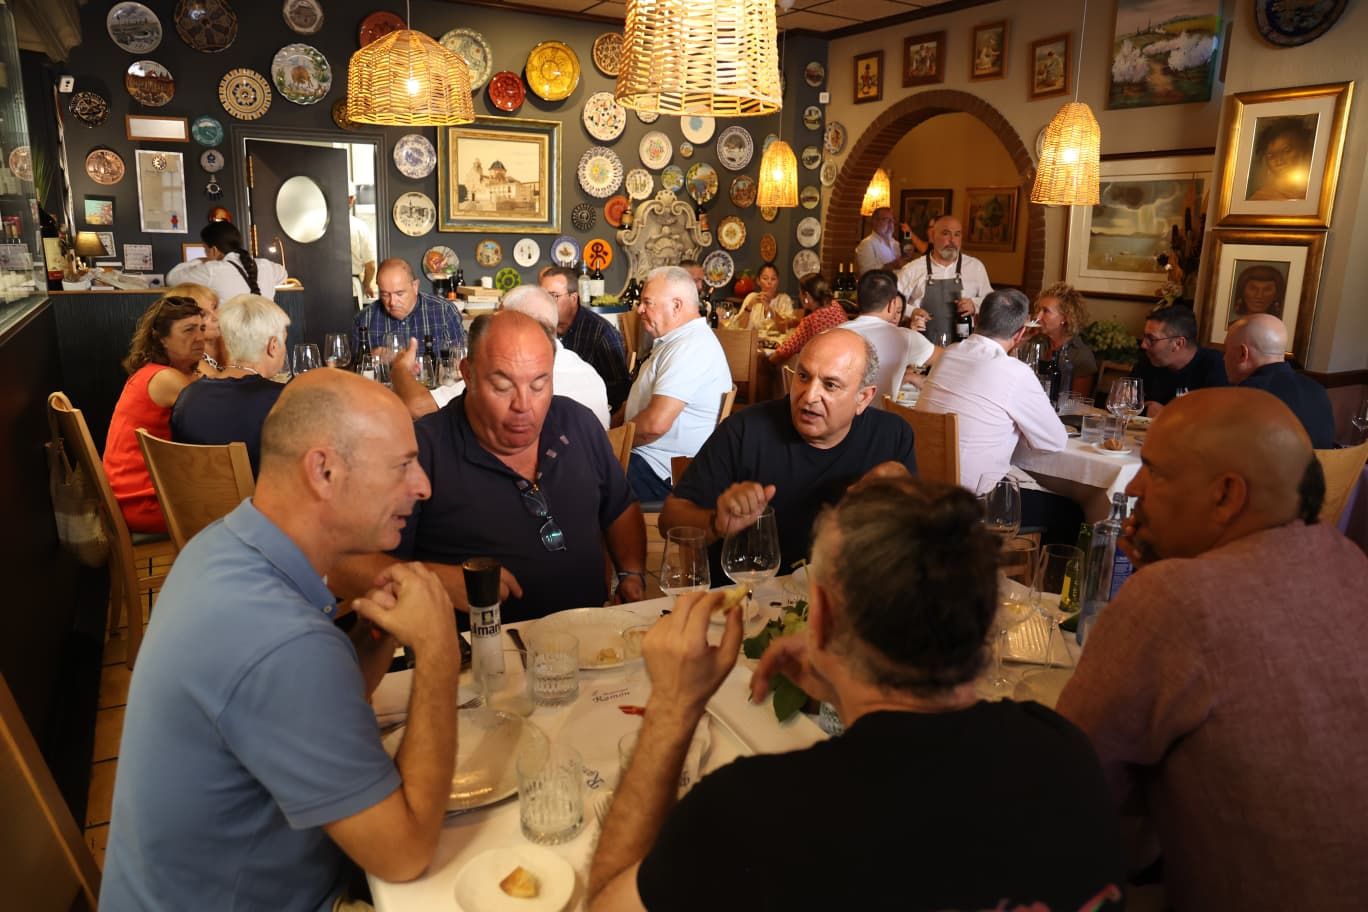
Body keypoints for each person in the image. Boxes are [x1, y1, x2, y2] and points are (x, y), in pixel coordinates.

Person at [592, 477, 1126, 911]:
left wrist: (672, 707)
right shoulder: (1066, 754)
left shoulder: (752, 816)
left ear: (818, 617)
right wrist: (838, 677)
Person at [101, 369, 461, 910]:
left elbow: (298, 709)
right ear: (324, 470)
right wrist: (438, 653)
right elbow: (404, 853)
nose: (423, 486)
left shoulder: (223, 545)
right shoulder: (280, 640)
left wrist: (376, 638)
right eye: (403, 466)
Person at [1056, 388, 1368, 911]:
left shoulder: (1175, 598)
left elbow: (1070, 792)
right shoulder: (1351, 565)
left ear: (1226, 496)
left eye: (1152, 470)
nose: (1133, 486)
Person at [333, 310, 647, 621]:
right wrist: (431, 580)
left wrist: (632, 573)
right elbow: (343, 566)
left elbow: (619, 506)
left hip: (592, 644)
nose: (523, 405)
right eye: (502, 386)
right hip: (475, 655)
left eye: (539, 384)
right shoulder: (420, 450)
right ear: (467, 374)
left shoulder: (577, 422)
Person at [662, 329, 918, 581]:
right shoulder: (744, 430)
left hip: (847, 598)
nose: (809, 396)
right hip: (749, 599)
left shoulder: (892, 436)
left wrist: (903, 501)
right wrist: (715, 523)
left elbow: (914, 541)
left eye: (830, 385)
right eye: (803, 377)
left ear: (863, 398)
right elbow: (670, 519)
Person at [915, 289, 1082, 544]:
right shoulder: (1015, 372)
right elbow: (1054, 441)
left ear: (979, 319)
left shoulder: (949, 354)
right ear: (1020, 333)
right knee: (1072, 511)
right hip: (973, 503)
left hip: (924, 489)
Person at [390, 285, 611, 430]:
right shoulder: (589, 373)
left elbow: (417, 407)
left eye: (500, 321)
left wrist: (400, 369)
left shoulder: (502, 373)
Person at [624, 266, 732, 502]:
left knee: (578, 480)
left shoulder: (690, 348)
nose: (639, 309)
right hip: (650, 459)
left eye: (647, 302)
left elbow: (655, 425)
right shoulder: (679, 341)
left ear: (676, 305)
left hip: (662, 473)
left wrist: (609, 442)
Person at [103, 295, 206, 533]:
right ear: (161, 339)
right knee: (246, 502)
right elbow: (218, 422)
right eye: (189, 330)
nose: (201, 337)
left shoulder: (159, 371)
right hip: (144, 501)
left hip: (132, 493)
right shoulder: (165, 379)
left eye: (201, 328)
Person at [171, 294, 290, 472]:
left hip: (195, 499)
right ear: (272, 346)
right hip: (259, 499)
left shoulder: (188, 396)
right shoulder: (283, 400)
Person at [1224, 314, 1334, 448]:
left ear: (1243, 353)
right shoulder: (1317, 389)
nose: (1224, 358)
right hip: (1322, 468)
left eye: (1226, 351)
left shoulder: (1248, 395)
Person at [541, 265, 631, 411]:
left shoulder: (602, 333)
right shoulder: (540, 329)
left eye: (553, 296)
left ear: (573, 298)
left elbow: (621, 390)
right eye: (542, 296)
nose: (545, 302)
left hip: (589, 414)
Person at [842, 269, 938, 399]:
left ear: (857, 302)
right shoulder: (906, 337)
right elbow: (948, 358)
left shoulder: (832, 334)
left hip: (839, 416)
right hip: (882, 416)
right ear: (892, 304)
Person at [896, 215, 993, 341]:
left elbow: (991, 302)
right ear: (932, 236)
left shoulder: (975, 267)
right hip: (924, 346)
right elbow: (893, 302)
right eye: (946, 233)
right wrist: (912, 312)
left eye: (957, 234)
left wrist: (975, 305)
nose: (952, 240)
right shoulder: (912, 269)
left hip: (964, 347)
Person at [352, 258, 466, 357]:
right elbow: (354, 373)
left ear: (415, 286)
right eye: (385, 294)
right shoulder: (364, 319)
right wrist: (373, 357)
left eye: (400, 294)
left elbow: (462, 362)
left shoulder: (444, 312)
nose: (392, 302)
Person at [1130, 304, 1227, 416]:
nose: (1143, 345)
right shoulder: (1149, 359)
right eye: (1144, 337)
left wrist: (1168, 414)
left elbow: (1218, 419)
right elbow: (1121, 402)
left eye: (1151, 339)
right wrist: (1146, 406)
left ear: (1178, 343)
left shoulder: (1216, 366)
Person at [167, 220, 290, 303]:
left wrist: (201, 260)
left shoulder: (212, 270)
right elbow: (283, 274)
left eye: (205, 250)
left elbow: (172, 278)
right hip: (268, 337)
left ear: (214, 250)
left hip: (230, 338)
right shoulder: (266, 265)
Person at [766, 273, 853, 365]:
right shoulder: (836, 306)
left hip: (823, 369)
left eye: (800, 292)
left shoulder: (811, 320)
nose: (799, 296)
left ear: (806, 296)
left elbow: (783, 351)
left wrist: (767, 361)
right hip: (845, 364)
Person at [1030, 282, 1098, 395]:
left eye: (1046, 311)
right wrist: (1021, 340)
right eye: (1038, 310)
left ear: (1065, 318)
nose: (1038, 317)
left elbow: (1077, 403)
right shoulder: (1035, 342)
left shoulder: (1080, 355)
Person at [1245, 118, 1314, 202]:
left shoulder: (1318, 192)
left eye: (1286, 151)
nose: (1279, 161)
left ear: (1303, 149)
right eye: (1271, 156)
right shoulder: (1260, 199)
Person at [167, 282, 225, 374]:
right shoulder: (188, 359)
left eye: (214, 307)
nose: (216, 317)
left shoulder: (227, 341)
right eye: (203, 314)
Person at [729, 263, 795, 331]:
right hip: (753, 340)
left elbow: (785, 327)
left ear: (778, 281)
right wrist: (749, 307)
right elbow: (740, 326)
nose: (769, 282)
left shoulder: (784, 299)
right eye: (765, 278)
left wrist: (769, 309)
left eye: (773, 279)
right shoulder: (751, 297)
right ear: (758, 281)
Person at [854, 206, 919, 274]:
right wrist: (891, 265)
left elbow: (901, 263)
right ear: (875, 221)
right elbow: (866, 273)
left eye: (893, 220)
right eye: (887, 220)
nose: (891, 224)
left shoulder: (895, 243)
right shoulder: (867, 244)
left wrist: (907, 257)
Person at [348, 193, 377, 306]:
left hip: (322, 290)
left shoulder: (318, 224)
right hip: (352, 291)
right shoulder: (359, 226)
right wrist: (366, 285)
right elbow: (371, 266)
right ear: (351, 200)